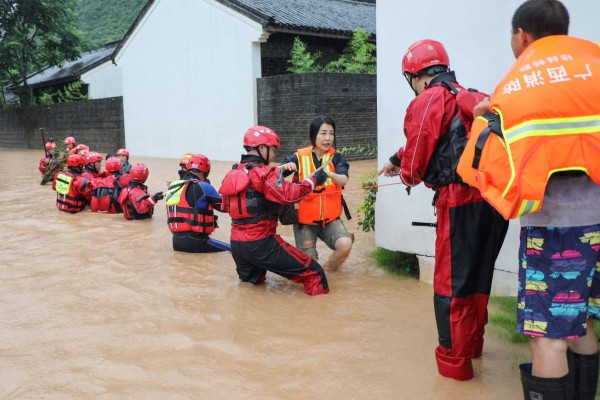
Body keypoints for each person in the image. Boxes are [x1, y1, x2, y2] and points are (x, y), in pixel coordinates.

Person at [459, 1, 600, 397]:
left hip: (557, 229)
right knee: (582, 322)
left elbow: (494, 164)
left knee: (547, 337)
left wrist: (487, 117)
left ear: (521, 35)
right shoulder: (595, 64)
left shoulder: (520, 83)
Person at [378, 39, 509, 380]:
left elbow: (417, 161)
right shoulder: (466, 94)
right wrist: (397, 158)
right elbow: (448, 135)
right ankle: (474, 346)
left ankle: (455, 370)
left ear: (415, 76)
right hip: (493, 200)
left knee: (451, 286)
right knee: (479, 277)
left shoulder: (428, 98)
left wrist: (404, 171)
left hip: (459, 202)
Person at [218, 125, 331, 296]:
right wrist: (314, 180)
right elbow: (290, 196)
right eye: (272, 150)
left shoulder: (233, 172)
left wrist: (278, 175)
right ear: (261, 148)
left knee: (252, 289)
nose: (274, 155)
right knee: (315, 274)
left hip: (238, 245)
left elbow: (225, 206)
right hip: (261, 243)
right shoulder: (263, 173)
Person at [280, 116, 354, 271]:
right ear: (313, 135)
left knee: (346, 244)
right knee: (309, 267)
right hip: (304, 222)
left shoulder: (337, 158)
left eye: (331, 133)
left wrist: (331, 175)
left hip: (330, 220)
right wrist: (285, 167)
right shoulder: (298, 157)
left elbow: (343, 179)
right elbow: (275, 178)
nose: (328, 138)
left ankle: (330, 269)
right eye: (323, 133)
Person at [166, 154, 227, 253]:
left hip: (176, 242)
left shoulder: (174, 186)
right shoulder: (203, 186)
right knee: (233, 251)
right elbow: (226, 207)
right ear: (206, 172)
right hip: (196, 241)